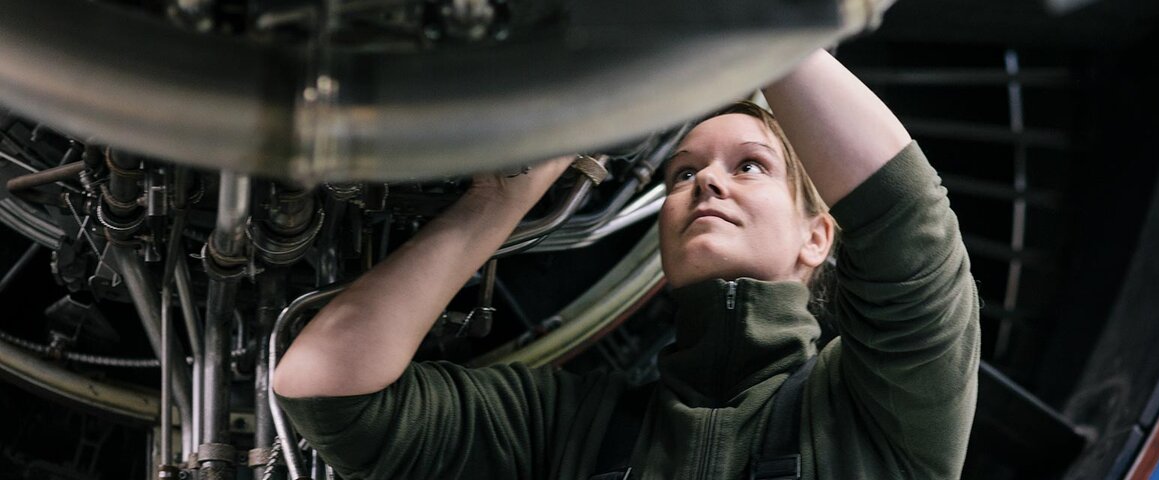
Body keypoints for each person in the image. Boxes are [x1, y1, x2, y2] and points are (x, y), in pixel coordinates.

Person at [272, 49, 980, 479]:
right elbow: (325, 389)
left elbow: (907, 220)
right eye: (680, 174)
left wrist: (747, 27)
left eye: (751, 166)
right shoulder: (568, 429)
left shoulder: (877, 416)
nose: (707, 183)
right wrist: (501, 199)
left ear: (818, 237)